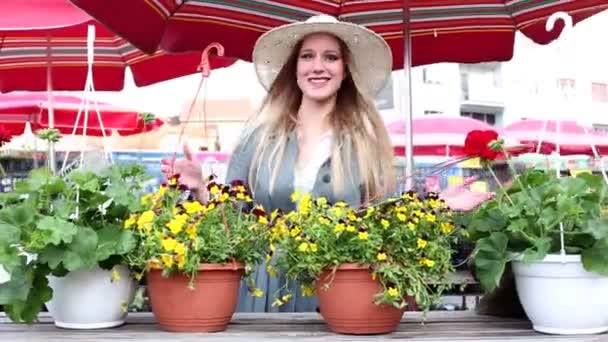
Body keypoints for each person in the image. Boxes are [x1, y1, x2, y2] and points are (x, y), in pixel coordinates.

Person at [161, 15, 494, 312]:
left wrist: (436, 204)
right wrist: (202, 189)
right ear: (295, 68)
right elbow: (233, 217)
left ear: (344, 69)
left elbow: (381, 220)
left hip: (338, 290)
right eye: (307, 56)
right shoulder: (258, 138)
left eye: (330, 57)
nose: (317, 66)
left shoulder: (367, 144)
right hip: (264, 289)